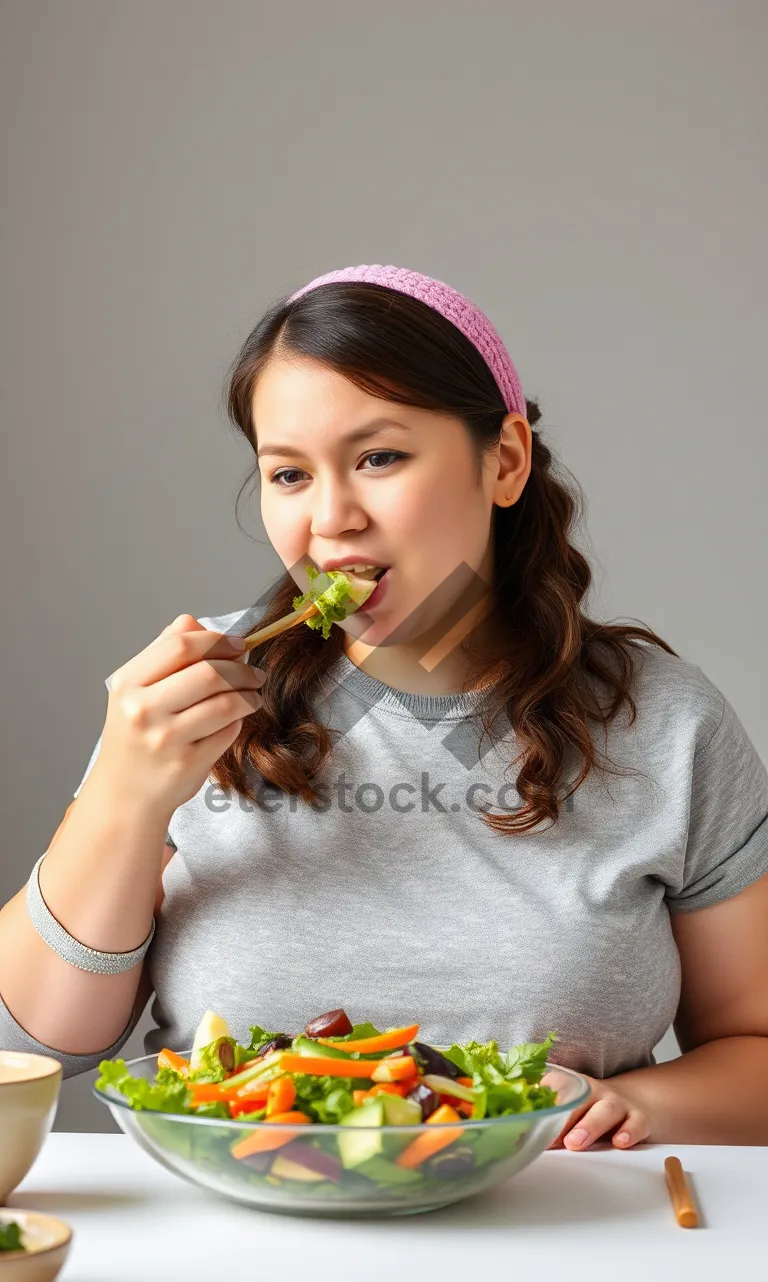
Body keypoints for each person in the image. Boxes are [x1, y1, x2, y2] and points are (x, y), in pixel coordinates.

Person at [1, 264, 767, 1152]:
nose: (332, 519)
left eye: (379, 458)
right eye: (288, 475)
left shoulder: (668, 725)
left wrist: (647, 1107)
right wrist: (124, 800)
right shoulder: (185, 704)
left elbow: (754, 1048)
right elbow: (29, 1047)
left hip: (561, 1240)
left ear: (505, 461)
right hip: (240, 1242)